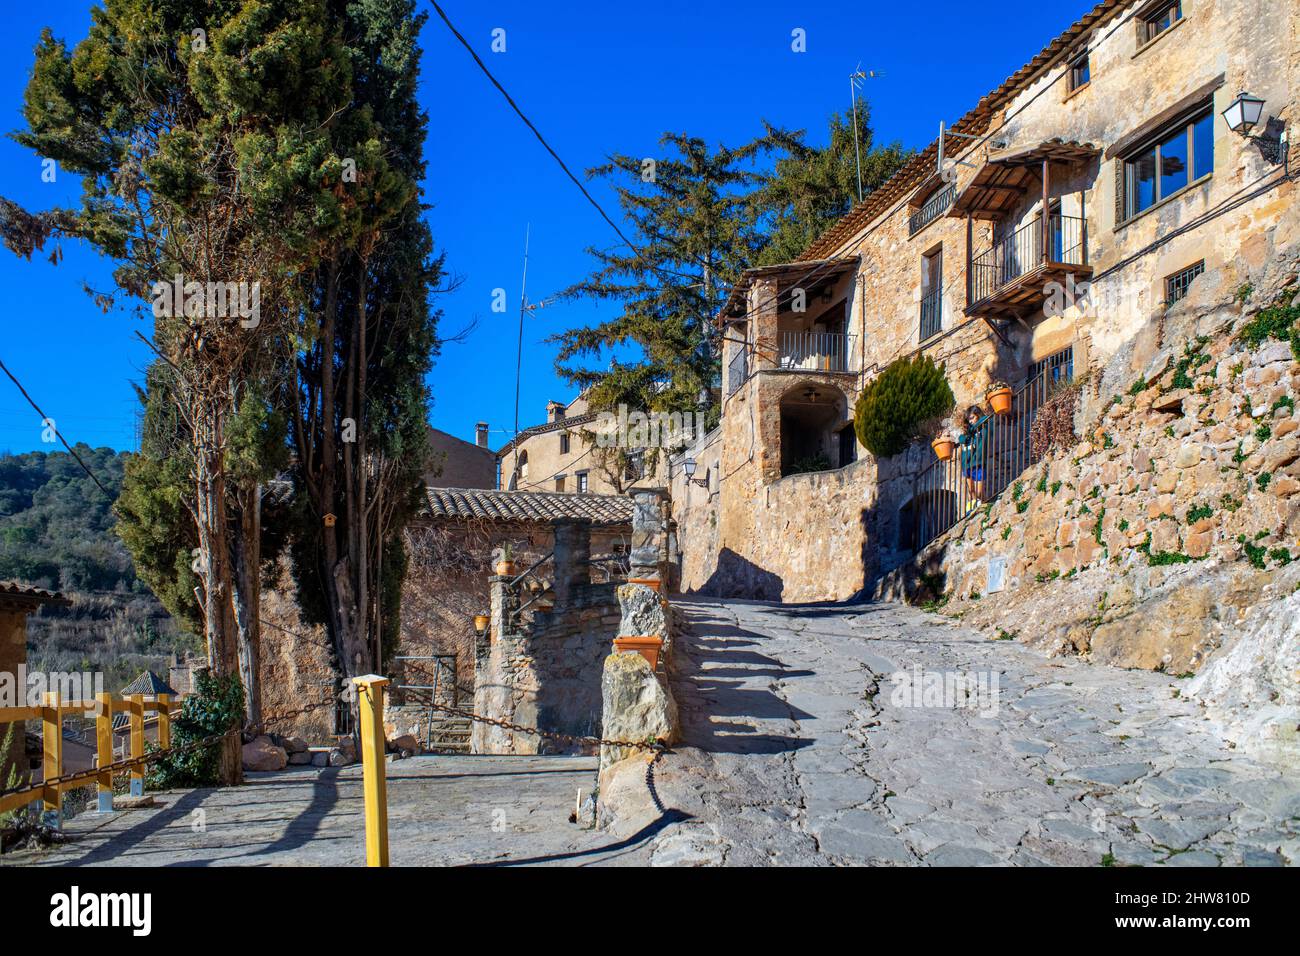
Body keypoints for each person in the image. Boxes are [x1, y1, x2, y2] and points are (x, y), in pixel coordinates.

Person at [956, 405, 989, 506]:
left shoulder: (983, 427)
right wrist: (966, 434)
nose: (970, 421)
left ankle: (984, 506)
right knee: (972, 492)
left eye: (972, 418)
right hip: (966, 464)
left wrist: (972, 430)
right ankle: (976, 507)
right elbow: (961, 439)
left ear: (978, 415)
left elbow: (985, 419)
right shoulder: (968, 432)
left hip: (978, 462)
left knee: (979, 493)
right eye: (968, 419)